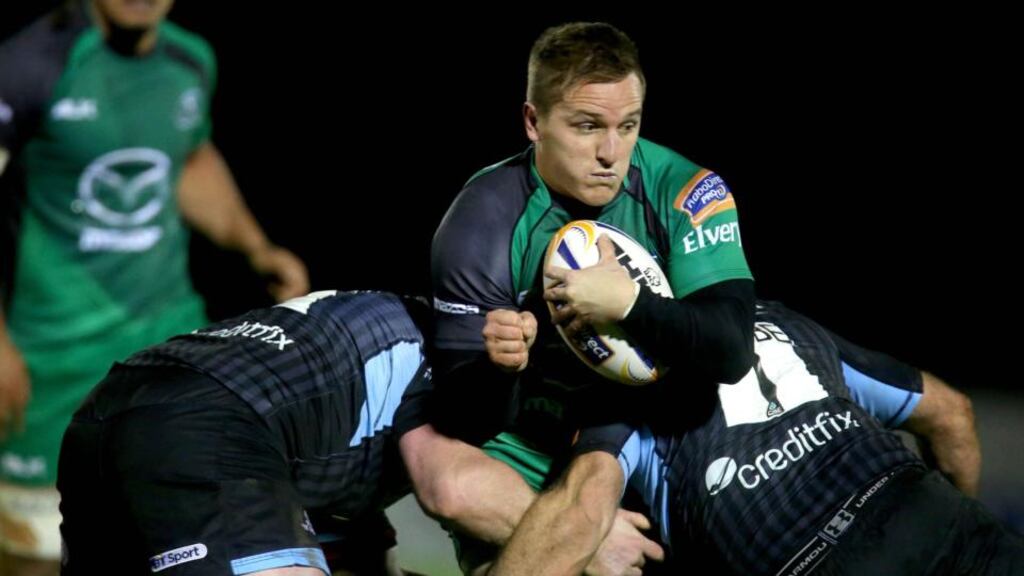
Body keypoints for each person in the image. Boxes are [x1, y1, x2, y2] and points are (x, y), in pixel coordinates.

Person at [429, 21, 754, 571]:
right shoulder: (481, 219)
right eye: (586, 126)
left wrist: (630, 305)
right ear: (533, 122)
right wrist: (501, 366)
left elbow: (731, 352)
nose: (610, 152)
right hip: (531, 444)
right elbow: (465, 422)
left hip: (651, 428)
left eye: (628, 126)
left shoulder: (686, 189)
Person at [0, 1, 308, 570]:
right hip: (49, 361)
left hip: (165, 348)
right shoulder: (29, 66)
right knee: (35, 554)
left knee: (179, 539)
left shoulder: (189, 60)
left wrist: (254, 246)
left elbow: (187, 159)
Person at [58, 290, 658, 575]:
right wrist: (590, 537)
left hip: (103, 416)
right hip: (207, 426)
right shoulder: (456, 357)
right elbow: (453, 489)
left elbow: (353, 536)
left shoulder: (361, 404)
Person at [490, 300, 1024, 575]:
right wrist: (951, 530)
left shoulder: (623, 394)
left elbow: (577, 513)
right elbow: (953, 415)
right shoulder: (775, 321)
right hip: (938, 515)